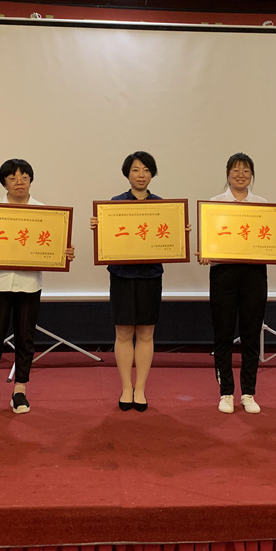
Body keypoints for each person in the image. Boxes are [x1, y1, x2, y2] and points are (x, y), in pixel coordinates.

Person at [0, 159, 75, 416]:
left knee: (25, 338)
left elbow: (54, 247)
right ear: (4, 182)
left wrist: (64, 252)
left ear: (31, 181)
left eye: (24, 177)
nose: (19, 182)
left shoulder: (46, 214)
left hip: (28, 284)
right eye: (13, 177)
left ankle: (20, 390)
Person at [90, 151, 187, 413]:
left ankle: (140, 388)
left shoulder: (163, 206)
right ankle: (126, 387)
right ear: (127, 174)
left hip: (150, 275)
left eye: (145, 170)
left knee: (146, 334)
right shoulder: (114, 204)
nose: (141, 175)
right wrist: (100, 226)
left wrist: (179, 233)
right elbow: (109, 238)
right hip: (122, 275)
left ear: (152, 174)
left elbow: (169, 239)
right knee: (123, 333)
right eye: (135, 169)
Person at [198, 152, 276, 415]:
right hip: (223, 274)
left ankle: (248, 393)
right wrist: (205, 253)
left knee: (251, 335)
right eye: (236, 170)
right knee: (223, 335)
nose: (241, 175)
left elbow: (271, 240)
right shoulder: (214, 204)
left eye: (246, 171)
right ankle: (226, 392)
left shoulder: (262, 205)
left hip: (254, 275)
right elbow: (209, 240)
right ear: (227, 174)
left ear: (252, 175)